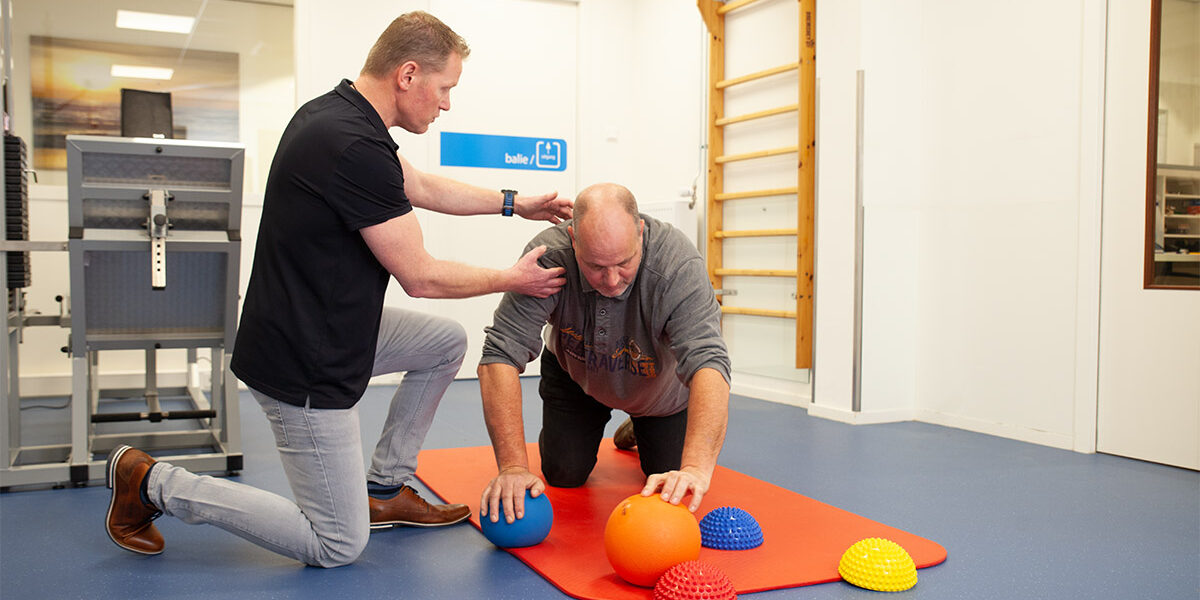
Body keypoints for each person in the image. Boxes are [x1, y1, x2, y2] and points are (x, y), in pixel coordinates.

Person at [103, 11, 572, 568]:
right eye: (445, 88)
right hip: (305, 362)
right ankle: (151, 482)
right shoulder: (352, 146)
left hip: (328, 326)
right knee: (337, 544)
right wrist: (513, 278)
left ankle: (384, 488)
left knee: (444, 343)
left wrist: (515, 203)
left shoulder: (339, 115)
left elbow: (420, 185)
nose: (447, 104)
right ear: (408, 75)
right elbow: (420, 277)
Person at [476, 183, 731, 525]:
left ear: (640, 232)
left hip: (658, 394)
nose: (611, 281)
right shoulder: (548, 257)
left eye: (624, 263)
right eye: (595, 266)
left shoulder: (677, 264)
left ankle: (638, 423)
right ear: (573, 240)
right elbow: (501, 351)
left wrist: (696, 467)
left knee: (670, 481)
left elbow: (709, 361)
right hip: (576, 376)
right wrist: (512, 467)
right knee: (563, 473)